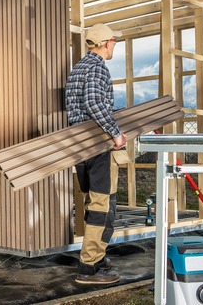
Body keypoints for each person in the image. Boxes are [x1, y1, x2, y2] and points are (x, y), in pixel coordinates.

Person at [65, 23, 126, 284]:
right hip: (98, 146)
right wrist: (115, 132)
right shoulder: (98, 67)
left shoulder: (78, 68)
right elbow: (93, 102)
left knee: (96, 204)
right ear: (105, 43)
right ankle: (88, 268)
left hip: (81, 147)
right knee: (102, 207)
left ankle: (97, 256)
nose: (114, 46)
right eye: (113, 41)